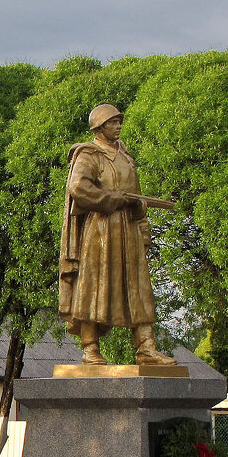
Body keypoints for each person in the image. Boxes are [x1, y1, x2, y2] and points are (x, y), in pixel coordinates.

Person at [59, 103, 176, 366]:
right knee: (93, 288)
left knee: (140, 287)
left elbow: (137, 194)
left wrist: (143, 228)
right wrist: (109, 198)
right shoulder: (89, 154)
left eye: (119, 121)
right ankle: (90, 348)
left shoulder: (126, 155)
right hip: (101, 229)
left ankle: (146, 348)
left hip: (129, 229)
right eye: (113, 122)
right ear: (99, 127)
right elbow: (78, 187)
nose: (118, 125)